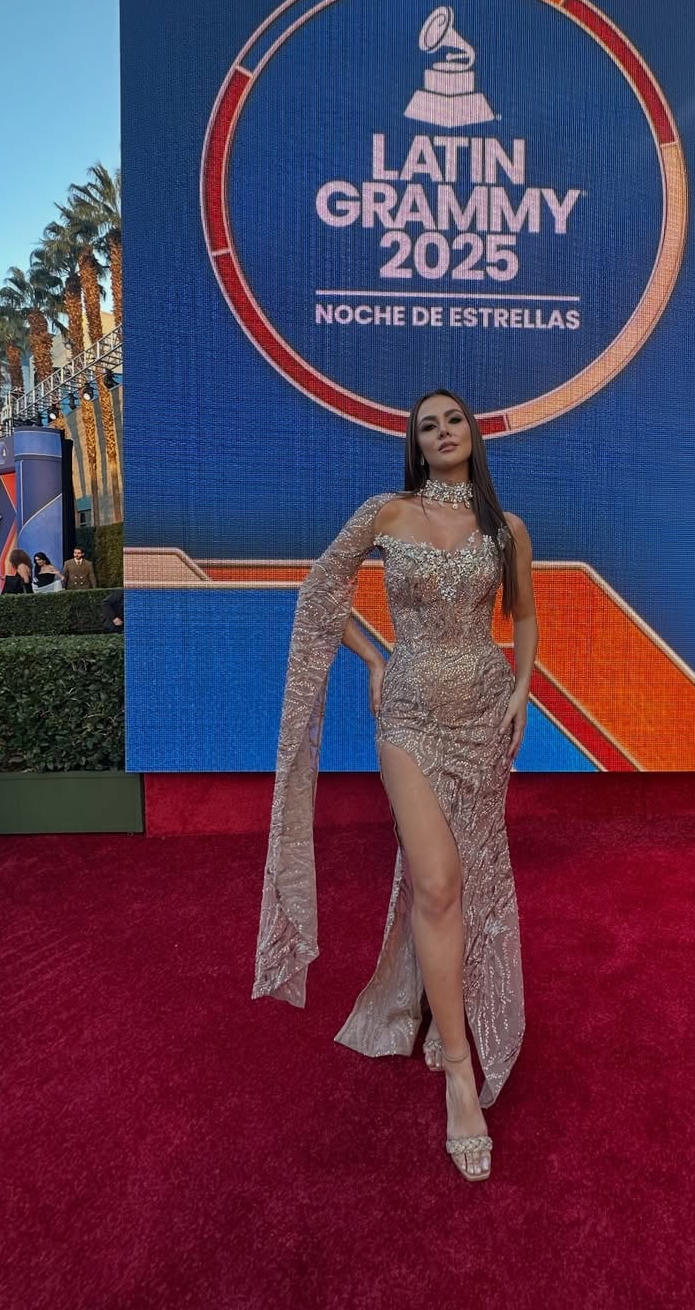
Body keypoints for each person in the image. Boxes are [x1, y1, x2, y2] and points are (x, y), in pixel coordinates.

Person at [253, 388, 537, 1184]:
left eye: (453, 420)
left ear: (473, 434)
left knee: (458, 883)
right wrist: (376, 658)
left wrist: (523, 688)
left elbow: (526, 615)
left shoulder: (504, 528)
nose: (442, 432)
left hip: (485, 716)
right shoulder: (385, 513)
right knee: (439, 884)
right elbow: (320, 592)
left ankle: (432, 1005)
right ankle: (456, 1070)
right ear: (415, 445)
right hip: (407, 714)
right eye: (427, 426)